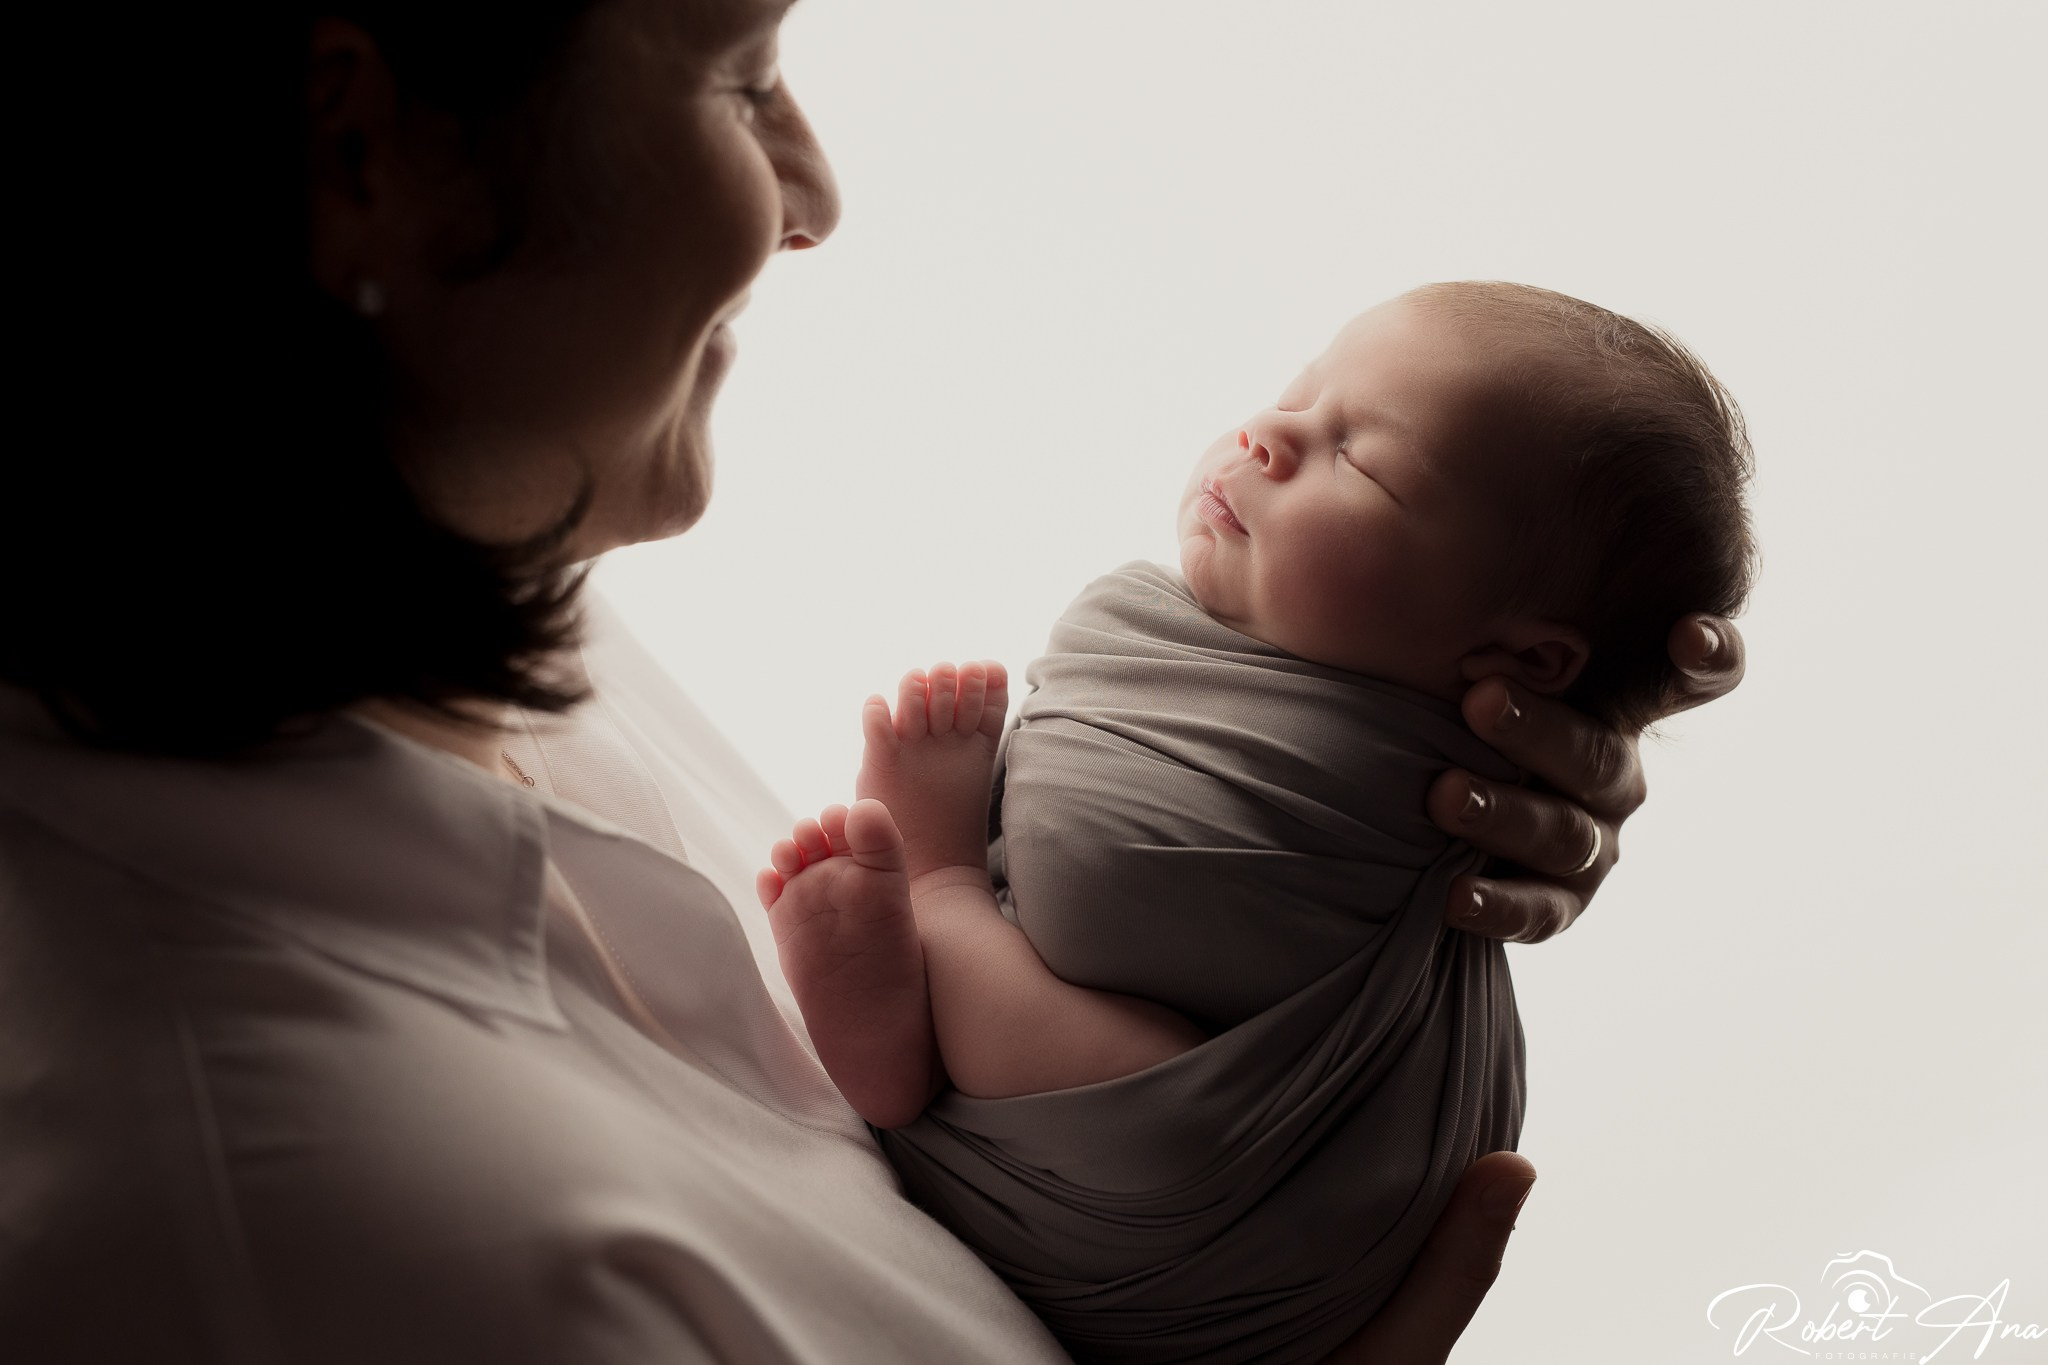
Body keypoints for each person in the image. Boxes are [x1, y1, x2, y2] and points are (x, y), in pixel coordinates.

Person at [0, 3, 1746, 1362]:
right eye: (741, 72)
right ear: (363, 146)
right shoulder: (313, 1237)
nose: (815, 196)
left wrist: (1366, 841)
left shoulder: (435, 595)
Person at [756, 283, 1755, 1362]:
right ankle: (920, 993)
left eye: (1361, 461)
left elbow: (1103, 880)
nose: (1267, 434)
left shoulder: (1373, 792)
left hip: (1227, 1241)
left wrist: (953, 865)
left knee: (1135, 1006)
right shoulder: (1201, 666)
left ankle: (932, 919)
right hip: (1211, 1261)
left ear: (1523, 660)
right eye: (1295, 397)